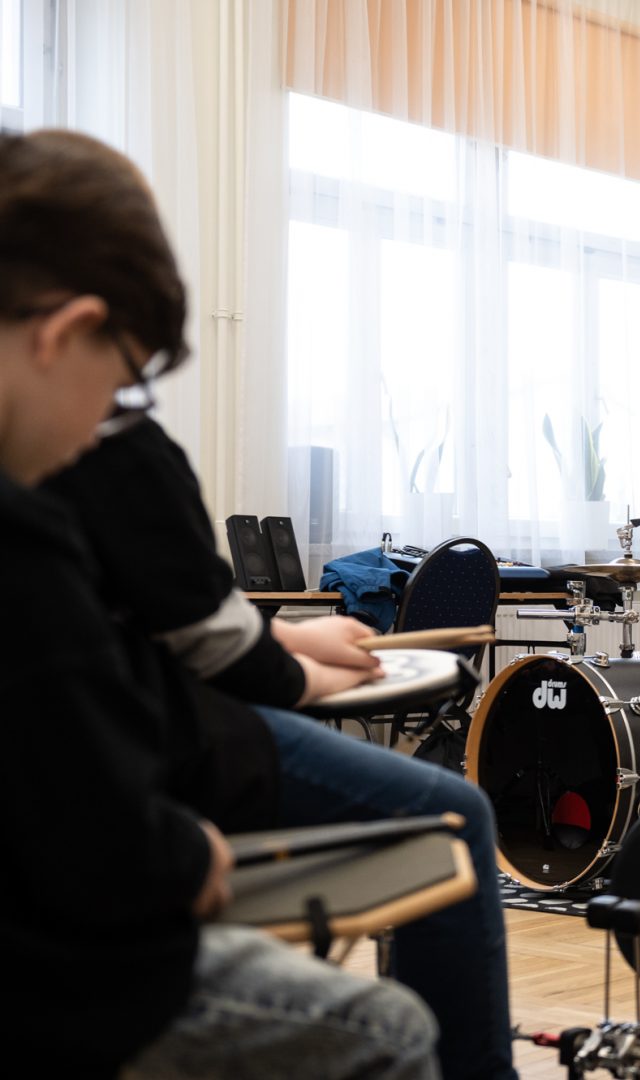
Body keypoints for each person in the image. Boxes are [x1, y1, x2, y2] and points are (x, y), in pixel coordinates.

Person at [1, 128, 436, 1077]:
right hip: (51, 979)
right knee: (392, 1028)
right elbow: (98, 831)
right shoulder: (26, 525)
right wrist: (189, 853)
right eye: (125, 383)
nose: (108, 419)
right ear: (64, 333)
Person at [44, 414, 518, 1080]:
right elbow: (219, 648)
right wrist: (312, 673)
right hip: (179, 733)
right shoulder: (107, 452)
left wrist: (297, 640)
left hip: (173, 714)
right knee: (457, 815)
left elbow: (177, 615)